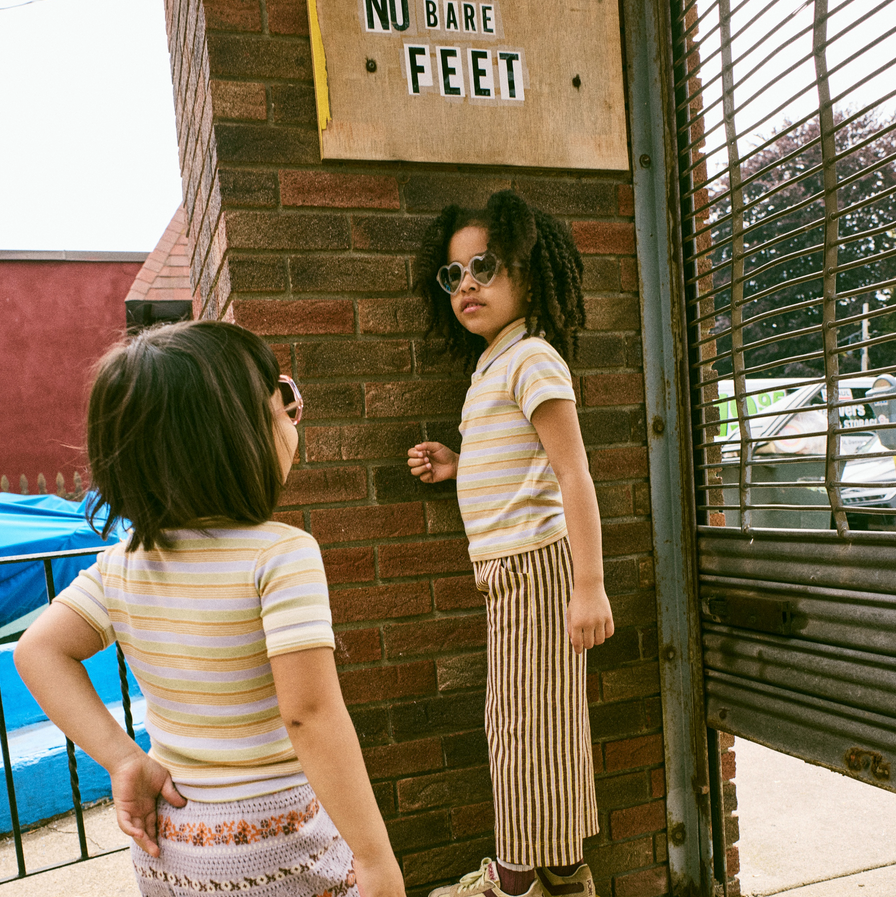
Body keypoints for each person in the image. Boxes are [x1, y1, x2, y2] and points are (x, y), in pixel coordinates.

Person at [15, 320, 405, 897]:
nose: (294, 417)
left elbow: (38, 651)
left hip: (173, 840)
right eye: (284, 401)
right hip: (277, 836)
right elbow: (311, 714)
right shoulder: (281, 554)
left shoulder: (122, 562)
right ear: (240, 435)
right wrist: (375, 858)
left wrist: (126, 761)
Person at [407, 191, 614, 897]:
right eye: (453, 273)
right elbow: (522, 463)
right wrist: (459, 465)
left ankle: (515, 880)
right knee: (538, 726)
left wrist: (589, 584)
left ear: (526, 272)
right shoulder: (493, 365)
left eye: (484, 266)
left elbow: (572, 471)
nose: (466, 283)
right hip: (510, 573)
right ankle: (562, 873)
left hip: (538, 571)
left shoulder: (531, 358)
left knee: (521, 732)